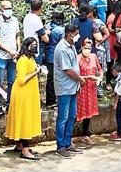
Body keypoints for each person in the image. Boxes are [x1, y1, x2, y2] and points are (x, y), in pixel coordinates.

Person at [5, 38, 42, 160]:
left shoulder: (30, 58)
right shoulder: (23, 59)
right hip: (23, 93)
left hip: (29, 93)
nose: (35, 46)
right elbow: (21, 80)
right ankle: (25, 151)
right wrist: (36, 72)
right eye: (33, 45)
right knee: (25, 119)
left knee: (25, 118)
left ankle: (20, 145)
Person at [54, 23, 84, 158]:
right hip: (65, 87)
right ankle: (60, 145)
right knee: (63, 117)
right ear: (69, 34)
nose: (78, 36)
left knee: (72, 115)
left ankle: (68, 142)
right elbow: (67, 70)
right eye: (76, 33)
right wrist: (80, 79)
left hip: (73, 87)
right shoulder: (62, 48)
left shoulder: (71, 46)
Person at [0, 0, 20, 113]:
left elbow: (17, 35)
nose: (9, 11)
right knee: (0, 80)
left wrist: (18, 48)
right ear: (1, 9)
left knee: (12, 81)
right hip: (1, 55)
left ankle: (9, 104)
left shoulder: (15, 21)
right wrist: (8, 50)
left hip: (13, 56)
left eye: (10, 8)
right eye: (6, 8)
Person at [77, 39, 102, 146]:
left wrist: (99, 77)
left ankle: (85, 134)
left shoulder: (94, 57)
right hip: (82, 88)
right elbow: (75, 75)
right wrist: (88, 77)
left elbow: (100, 69)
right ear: (81, 48)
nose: (87, 50)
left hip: (91, 88)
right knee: (78, 111)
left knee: (89, 112)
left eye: (89, 48)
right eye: (85, 48)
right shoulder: (77, 59)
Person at [44, 10, 65, 108]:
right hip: (57, 57)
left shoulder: (47, 26)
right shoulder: (61, 30)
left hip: (48, 55)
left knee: (50, 79)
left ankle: (50, 101)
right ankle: (55, 100)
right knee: (58, 79)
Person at [23, 0, 49, 65]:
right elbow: (46, 39)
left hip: (27, 46)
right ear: (41, 8)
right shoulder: (36, 20)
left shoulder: (27, 17)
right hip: (35, 49)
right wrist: (47, 32)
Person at [109, 62, 121, 142]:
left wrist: (115, 103)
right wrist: (113, 93)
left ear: (114, 71)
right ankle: (120, 132)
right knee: (120, 116)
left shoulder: (120, 78)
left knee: (119, 117)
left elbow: (119, 93)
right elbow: (117, 89)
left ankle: (120, 134)